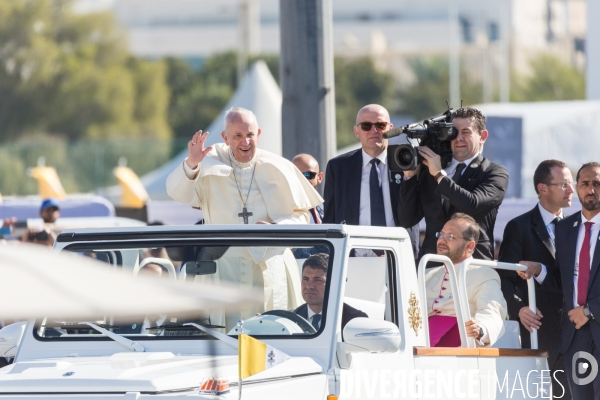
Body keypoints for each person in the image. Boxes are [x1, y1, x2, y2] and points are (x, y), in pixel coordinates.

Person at [166, 107, 323, 330]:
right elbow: (175, 191)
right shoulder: (208, 161)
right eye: (238, 136)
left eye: (250, 135)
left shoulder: (279, 167)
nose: (245, 142)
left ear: (258, 134)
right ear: (225, 137)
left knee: (274, 338)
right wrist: (191, 164)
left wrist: (276, 227)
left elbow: (302, 217)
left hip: (269, 266)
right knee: (221, 339)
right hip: (221, 268)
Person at [498, 159, 573, 398]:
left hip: (573, 333)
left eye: (571, 184)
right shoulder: (519, 227)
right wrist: (519, 309)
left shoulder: (577, 227)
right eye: (564, 185)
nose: (571, 190)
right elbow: (505, 279)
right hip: (536, 332)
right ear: (543, 188)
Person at [397, 107, 509, 261]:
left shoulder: (494, 172)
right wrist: (410, 177)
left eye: (466, 132)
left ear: (482, 136)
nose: (459, 138)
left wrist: (439, 175)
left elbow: (472, 204)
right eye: (454, 132)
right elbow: (407, 219)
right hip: (431, 264)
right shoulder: (430, 170)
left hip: (472, 267)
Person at [534, 162, 600, 398]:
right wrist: (539, 270)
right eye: (585, 184)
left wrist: (590, 310)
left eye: (597, 184)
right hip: (575, 336)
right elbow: (565, 280)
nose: (591, 189)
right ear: (577, 188)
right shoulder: (565, 228)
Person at [323, 104, 419, 256]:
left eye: (380, 125)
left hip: (398, 256)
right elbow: (330, 218)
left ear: (391, 129)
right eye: (366, 126)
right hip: (352, 258)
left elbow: (417, 211)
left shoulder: (407, 162)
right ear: (357, 131)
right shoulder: (339, 167)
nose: (374, 131)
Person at [426, 213, 507, 347]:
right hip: (419, 341)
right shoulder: (426, 275)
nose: (442, 240)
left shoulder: (483, 274)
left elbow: (491, 312)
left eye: (450, 237)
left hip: (459, 347)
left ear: (469, 246)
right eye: (441, 234)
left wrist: (480, 330)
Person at [294, 253, 367, 332]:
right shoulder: (291, 319)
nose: (309, 286)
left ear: (333, 283)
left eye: (317, 280)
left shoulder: (355, 321)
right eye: (305, 279)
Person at [292, 153, 324, 224]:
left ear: (320, 177)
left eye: (308, 174)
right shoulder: (283, 211)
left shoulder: (329, 210)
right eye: (297, 175)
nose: (302, 180)